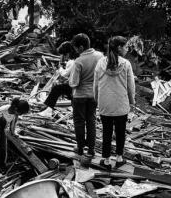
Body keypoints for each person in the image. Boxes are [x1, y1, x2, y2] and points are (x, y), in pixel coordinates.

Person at [93, 35, 135, 167]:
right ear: (119, 48)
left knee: (106, 132)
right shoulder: (126, 64)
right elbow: (130, 86)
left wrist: (97, 100)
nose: (127, 49)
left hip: (105, 104)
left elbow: (95, 85)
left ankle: (106, 160)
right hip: (121, 104)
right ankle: (119, 158)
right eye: (126, 46)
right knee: (120, 132)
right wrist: (132, 101)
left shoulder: (100, 63)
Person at [67, 33, 103, 164]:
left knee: (79, 122)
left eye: (76, 48)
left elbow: (74, 83)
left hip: (80, 96)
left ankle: (81, 148)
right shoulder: (100, 56)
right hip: (94, 94)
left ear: (81, 47)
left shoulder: (79, 61)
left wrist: (69, 80)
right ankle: (92, 149)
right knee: (91, 121)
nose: (76, 51)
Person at [42, 42, 77, 115]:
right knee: (57, 88)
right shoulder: (73, 60)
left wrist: (60, 67)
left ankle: (48, 108)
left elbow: (65, 74)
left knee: (57, 88)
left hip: (75, 87)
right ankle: (48, 107)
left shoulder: (72, 61)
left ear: (67, 53)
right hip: (75, 85)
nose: (64, 57)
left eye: (64, 55)